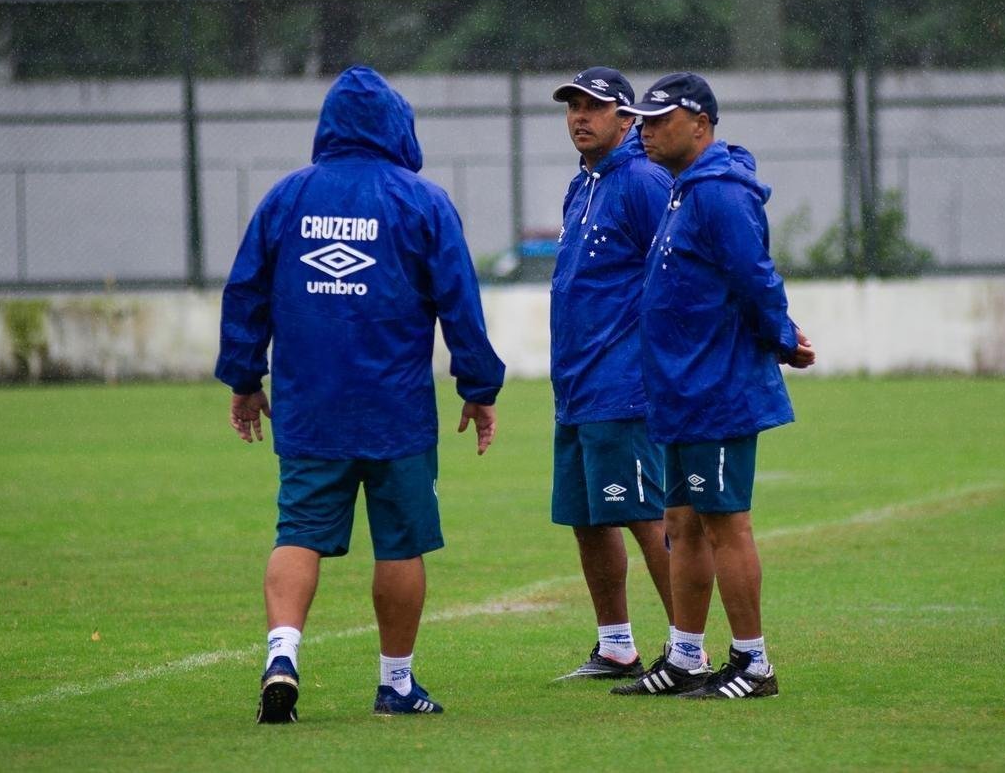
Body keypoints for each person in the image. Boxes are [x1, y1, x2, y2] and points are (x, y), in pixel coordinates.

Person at [215, 65, 506, 723]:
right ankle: (396, 684)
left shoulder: (286, 199)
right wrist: (479, 387)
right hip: (394, 410)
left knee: (298, 533)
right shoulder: (423, 202)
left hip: (310, 405)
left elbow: (245, 293)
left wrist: (243, 379)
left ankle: (282, 655)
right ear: (396, 127)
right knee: (400, 543)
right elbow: (461, 302)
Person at [611, 72, 815, 699]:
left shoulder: (720, 193)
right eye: (641, 120)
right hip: (680, 391)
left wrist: (783, 338)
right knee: (681, 522)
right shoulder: (683, 189)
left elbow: (755, 278)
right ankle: (684, 657)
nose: (645, 130)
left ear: (700, 125)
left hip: (716, 390)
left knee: (727, 523)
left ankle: (754, 664)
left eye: (658, 120)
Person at [547, 67, 676, 681]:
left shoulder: (645, 181)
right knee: (588, 516)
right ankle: (617, 645)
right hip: (576, 387)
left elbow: (679, 270)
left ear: (628, 119)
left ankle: (687, 649)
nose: (579, 117)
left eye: (593, 107)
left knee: (646, 513)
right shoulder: (583, 185)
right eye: (572, 107)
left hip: (622, 384)